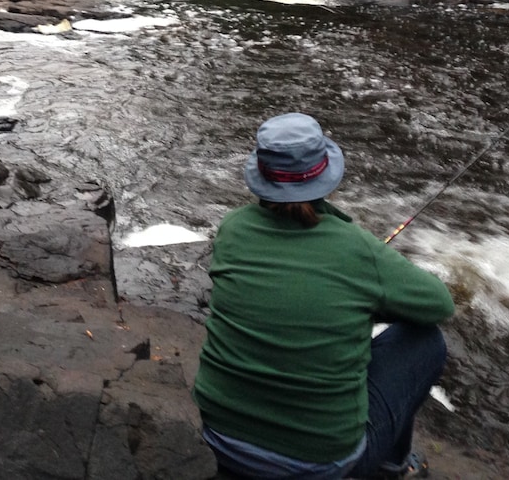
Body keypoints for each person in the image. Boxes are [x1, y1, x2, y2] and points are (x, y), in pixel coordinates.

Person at [193, 112, 455, 480]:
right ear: (324, 174)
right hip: (320, 464)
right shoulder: (357, 248)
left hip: (220, 440)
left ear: (260, 176)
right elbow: (439, 304)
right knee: (426, 341)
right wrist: (370, 292)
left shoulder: (232, 229)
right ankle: (390, 467)